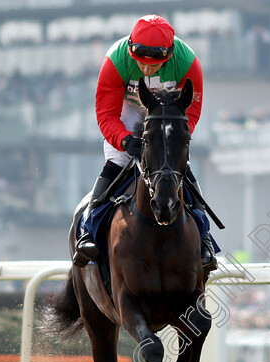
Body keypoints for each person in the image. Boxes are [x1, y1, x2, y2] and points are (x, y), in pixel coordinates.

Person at [73, 14, 217, 271]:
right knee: (116, 160)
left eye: (155, 65)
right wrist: (126, 141)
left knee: (181, 167)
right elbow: (106, 114)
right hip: (127, 111)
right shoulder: (115, 61)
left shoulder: (188, 63)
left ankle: (204, 239)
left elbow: (190, 113)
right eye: (141, 63)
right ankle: (88, 231)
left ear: (170, 56)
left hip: (167, 115)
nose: (147, 69)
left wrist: (171, 143)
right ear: (131, 50)